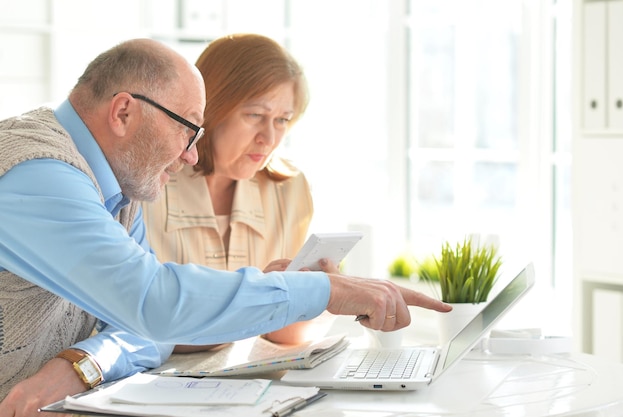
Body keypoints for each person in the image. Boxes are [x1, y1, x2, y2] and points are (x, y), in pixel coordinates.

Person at [0, 38, 451, 416]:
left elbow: (145, 328)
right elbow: (155, 303)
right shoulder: (38, 171)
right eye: (187, 131)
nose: (192, 155)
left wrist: (82, 365)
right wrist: (326, 290)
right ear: (123, 113)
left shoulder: (119, 190)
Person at [143, 33, 323, 348]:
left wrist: (315, 292)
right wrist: (258, 298)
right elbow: (140, 322)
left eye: (282, 120)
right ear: (210, 108)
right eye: (255, 115)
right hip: (150, 386)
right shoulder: (146, 185)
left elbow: (285, 338)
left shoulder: (290, 189)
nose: (269, 138)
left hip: (254, 387)